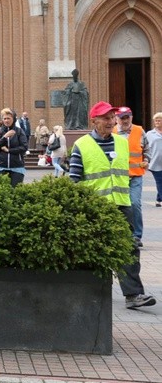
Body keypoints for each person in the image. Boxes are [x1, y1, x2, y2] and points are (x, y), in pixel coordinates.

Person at [69, 101, 156, 310]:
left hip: (122, 206)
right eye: (106, 118)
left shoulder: (122, 142)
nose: (110, 122)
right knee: (91, 250)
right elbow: (74, 180)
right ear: (94, 121)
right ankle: (86, 292)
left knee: (129, 248)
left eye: (112, 118)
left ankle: (133, 295)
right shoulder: (81, 145)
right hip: (95, 208)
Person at [113, 106, 149, 247]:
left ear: (131, 117)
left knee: (134, 203)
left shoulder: (139, 131)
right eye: (122, 118)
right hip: (118, 176)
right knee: (119, 205)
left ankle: (136, 235)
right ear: (117, 119)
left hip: (135, 175)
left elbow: (146, 148)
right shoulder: (113, 132)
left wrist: (146, 159)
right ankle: (120, 233)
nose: (125, 120)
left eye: (127, 117)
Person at [0, 108, 28, 186]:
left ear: (13, 119)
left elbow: (24, 147)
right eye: (4, 118)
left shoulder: (19, 131)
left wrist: (9, 150)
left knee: (15, 191)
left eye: (9, 118)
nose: (6, 120)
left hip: (17, 166)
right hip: (0, 166)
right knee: (1, 191)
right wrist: (4, 137)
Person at [146, 113, 162, 208]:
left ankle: (158, 200)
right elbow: (146, 147)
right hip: (155, 162)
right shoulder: (150, 134)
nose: (157, 122)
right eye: (156, 120)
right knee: (160, 181)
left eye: (159, 120)